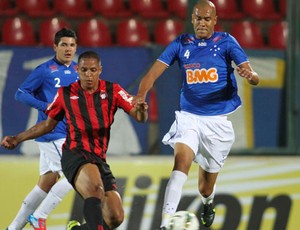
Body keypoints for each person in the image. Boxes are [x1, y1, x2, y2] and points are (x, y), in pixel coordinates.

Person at [133, 0, 260, 229]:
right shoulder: (182, 43)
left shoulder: (226, 41)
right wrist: (141, 94)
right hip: (189, 117)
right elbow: (152, 74)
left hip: (217, 123)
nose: (202, 23)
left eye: (207, 19)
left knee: (205, 187)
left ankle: (207, 202)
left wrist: (250, 76)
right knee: (181, 163)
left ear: (215, 20)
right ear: (192, 19)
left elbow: (252, 74)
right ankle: (166, 222)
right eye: (198, 18)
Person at [1, 50, 149, 230]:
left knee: (115, 218)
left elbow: (140, 117)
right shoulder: (65, 93)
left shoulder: (113, 90)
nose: (88, 74)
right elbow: (48, 125)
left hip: (99, 159)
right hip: (75, 154)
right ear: (77, 70)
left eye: (93, 70)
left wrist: (141, 110)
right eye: (84, 70)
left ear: (100, 70)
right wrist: (18, 138)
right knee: (95, 190)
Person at [6, 28, 79, 230]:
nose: (68, 49)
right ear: (55, 46)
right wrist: (46, 106)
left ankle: (13, 228)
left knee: (45, 184)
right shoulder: (44, 70)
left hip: (67, 133)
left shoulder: (77, 70)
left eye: (72, 45)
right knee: (75, 175)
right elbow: (21, 93)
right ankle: (40, 216)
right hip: (53, 133)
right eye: (63, 44)